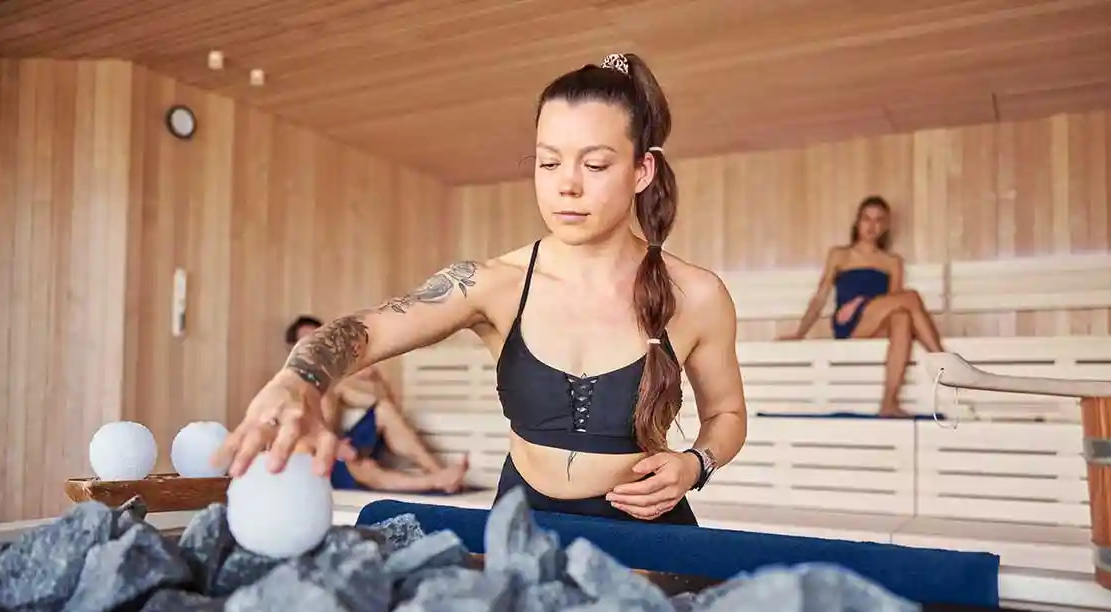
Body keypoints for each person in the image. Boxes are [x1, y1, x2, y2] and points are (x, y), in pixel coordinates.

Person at [217, 53, 747, 525]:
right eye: (548, 162)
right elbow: (368, 329)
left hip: (649, 537)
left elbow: (726, 415)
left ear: (641, 170)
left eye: (595, 164)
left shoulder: (697, 295)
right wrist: (300, 379)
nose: (567, 184)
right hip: (523, 529)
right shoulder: (494, 284)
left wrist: (694, 464)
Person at [780, 195, 945, 417]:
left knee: (902, 317)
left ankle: (889, 403)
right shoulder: (840, 255)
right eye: (866, 219)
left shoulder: (892, 261)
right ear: (857, 222)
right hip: (849, 323)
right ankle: (943, 362)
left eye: (878, 220)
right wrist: (800, 333)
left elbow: (895, 301)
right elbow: (820, 298)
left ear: (885, 226)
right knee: (912, 297)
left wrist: (862, 302)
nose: (871, 226)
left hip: (874, 322)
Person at [284, 315, 469, 494]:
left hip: (340, 448)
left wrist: (377, 379)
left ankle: (439, 472)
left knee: (384, 411)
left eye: (318, 340)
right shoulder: (287, 390)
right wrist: (335, 447)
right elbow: (295, 437)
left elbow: (386, 403)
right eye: (307, 342)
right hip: (317, 461)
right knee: (362, 466)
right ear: (293, 349)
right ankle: (434, 481)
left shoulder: (334, 386)